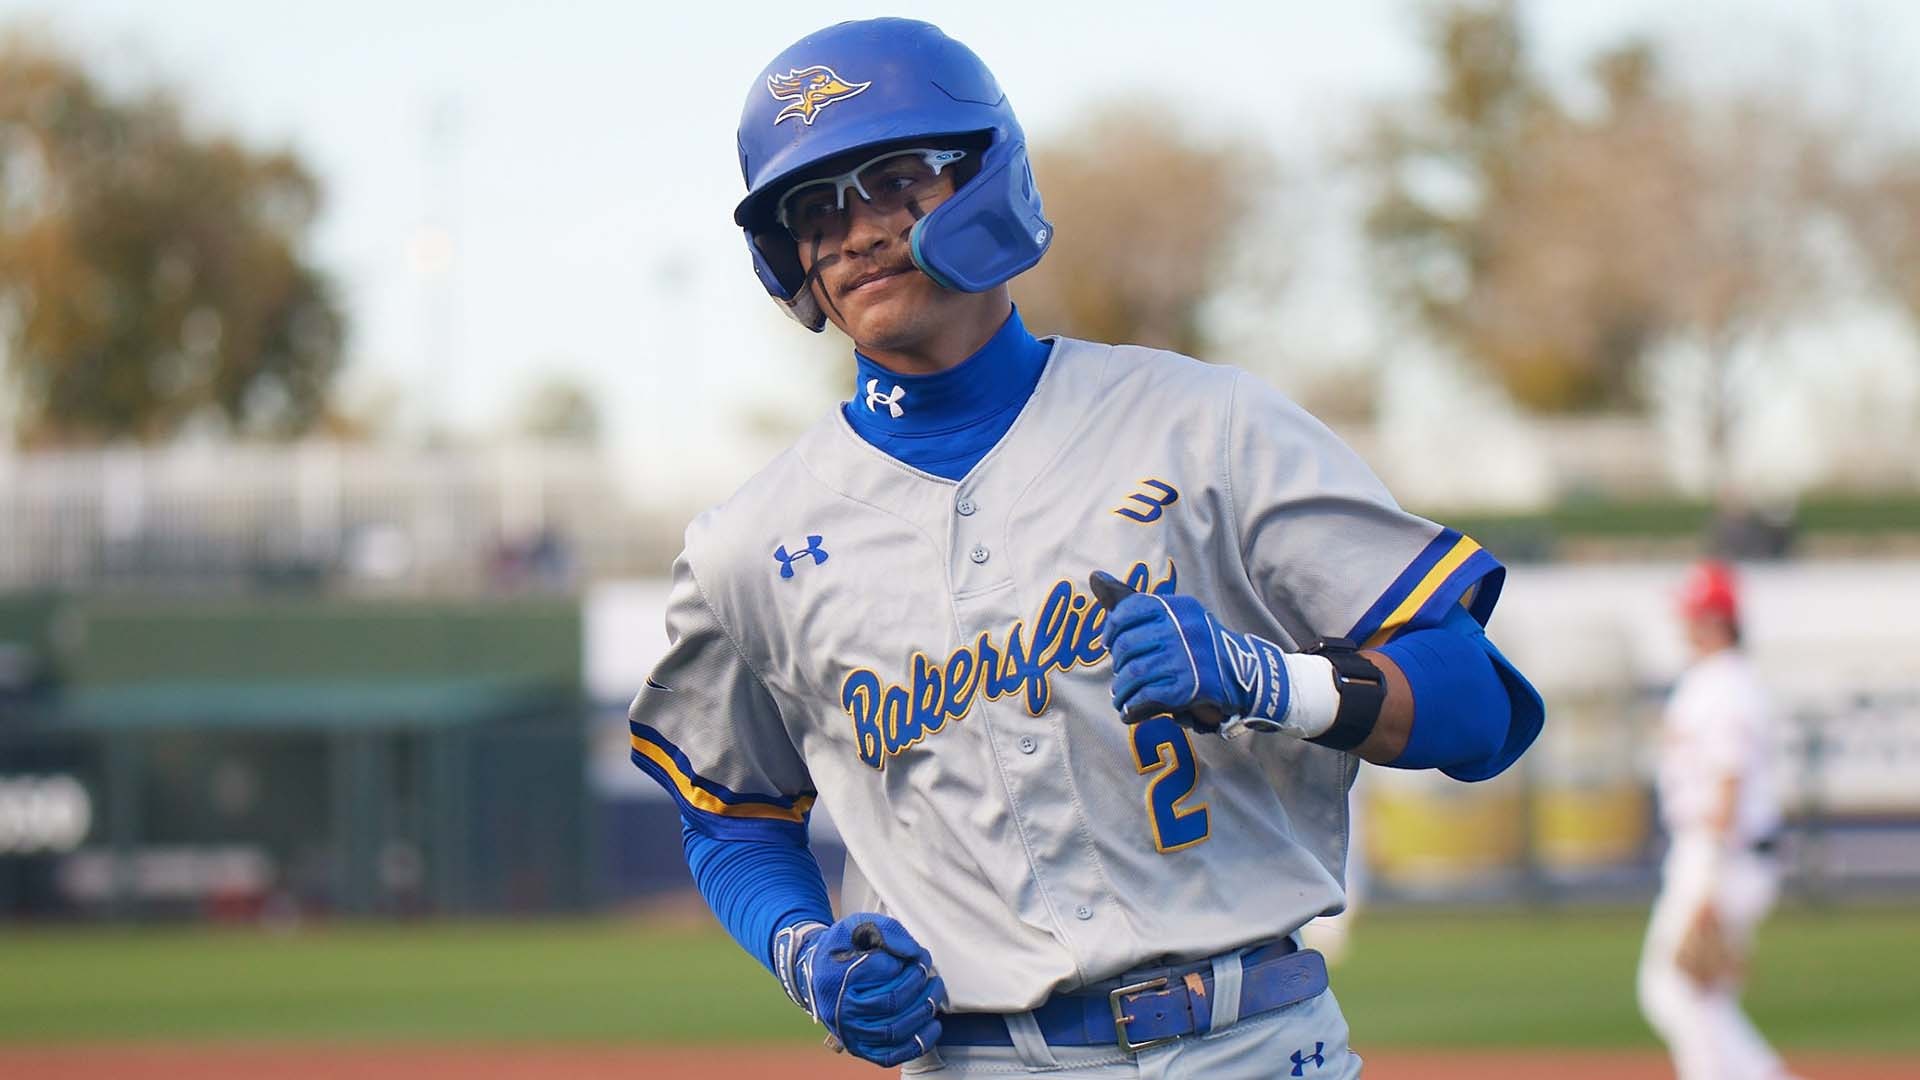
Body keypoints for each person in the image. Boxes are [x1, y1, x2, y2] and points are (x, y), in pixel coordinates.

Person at [629, 19, 1544, 1077]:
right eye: (814, 205)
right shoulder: (750, 544)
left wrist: (1274, 682)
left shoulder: (1203, 423)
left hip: (1248, 1041)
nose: (854, 228)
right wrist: (803, 954)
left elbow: (1483, 708)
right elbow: (731, 816)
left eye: (892, 177)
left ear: (984, 176)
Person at [1638, 561, 1797, 1080]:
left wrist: (1706, 877)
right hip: (1720, 851)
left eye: (1689, 613)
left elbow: (1728, 783)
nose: (1681, 624)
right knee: (1695, 997)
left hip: (1721, 854)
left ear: (1712, 619)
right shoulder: (1717, 680)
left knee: (1676, 992)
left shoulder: (1725, 685)